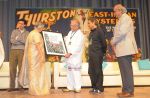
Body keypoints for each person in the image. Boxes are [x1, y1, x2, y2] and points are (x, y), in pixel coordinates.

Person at [111, 4, 138, 97]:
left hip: (125, 49)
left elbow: (122, 33)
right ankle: (125, 90)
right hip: (122, 49)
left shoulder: (125, 18)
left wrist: (113, 41)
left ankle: (129, 91)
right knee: (123, 71)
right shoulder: (122, 19)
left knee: (126, 71)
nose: (114, 13)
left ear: (120, 10)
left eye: (115, 11)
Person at [19, 22, 50, 95]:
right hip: (36, 57)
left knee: (32, 72)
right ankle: (36, 90)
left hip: (31, 56)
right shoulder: (36, 34)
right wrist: (42, 56)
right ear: (39, 27)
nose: (42, 29)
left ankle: (32, 90)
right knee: (36, 73)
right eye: (42, 28)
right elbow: (38, 46)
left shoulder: (31, 33)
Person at [63, 19, 84, 93]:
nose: (71, 27)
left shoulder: (80, 34)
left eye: (73, 25)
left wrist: (70, 53)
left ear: (78, 26)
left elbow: (78, 46)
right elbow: (67, 42)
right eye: (71, 25)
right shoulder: (70, 32)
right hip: (68, 57)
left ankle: (77, 87)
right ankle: (70, 87)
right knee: (69, 73)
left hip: (75, 57)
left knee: (76, 72)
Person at [8, 19, 29, 92]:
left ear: (25, 25)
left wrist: (17, 39)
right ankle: (12, 87)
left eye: (22, 23)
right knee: (12, 69)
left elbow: (26, 42)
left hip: (22, 51)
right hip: (13, 51)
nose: (20, 25)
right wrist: (20, 40)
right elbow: (12, 41)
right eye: (19, 23)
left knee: (21, 69)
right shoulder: (14, 31)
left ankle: (20, 86)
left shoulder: (27, 32)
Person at [87, 18, 107, 94]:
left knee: (98, 71)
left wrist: (102, 53)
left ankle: (100, 88)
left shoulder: (99, 31)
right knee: (91, 71)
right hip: (91, 54)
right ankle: (94, 87)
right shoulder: (91, 32)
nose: (88, 25)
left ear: (93, 22)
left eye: (89, 23)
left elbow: (104, 43)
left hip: (97, 54)